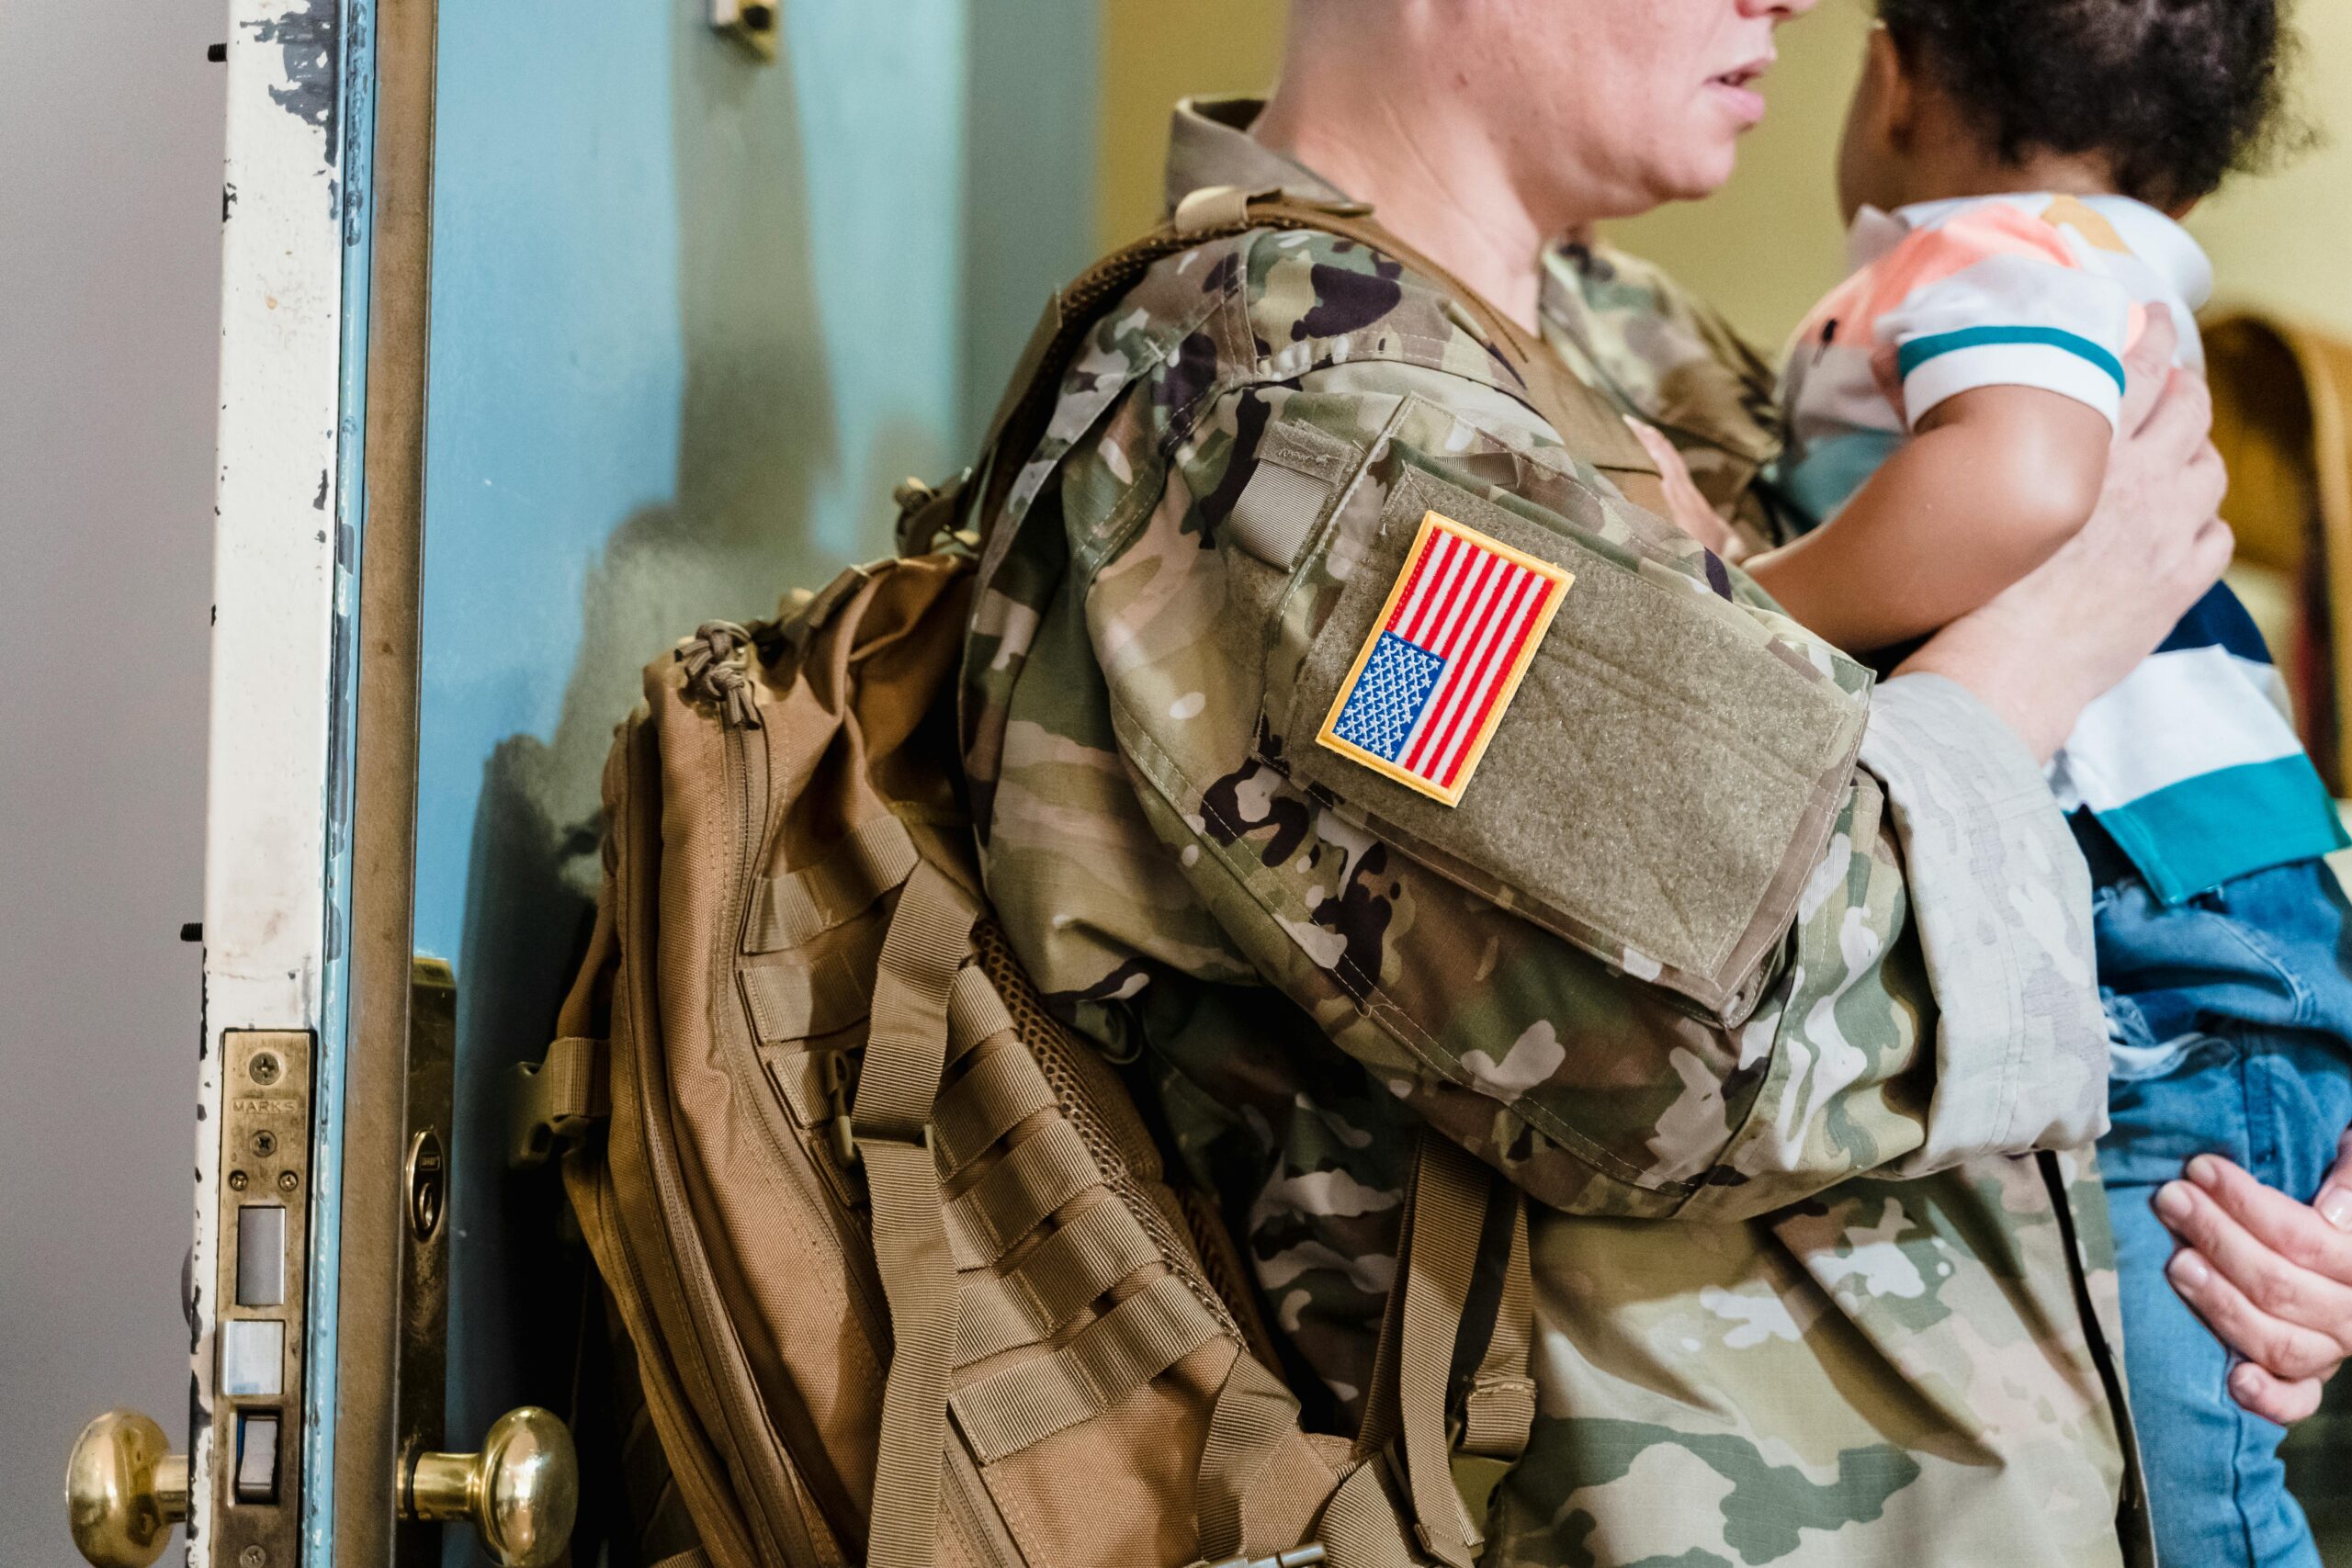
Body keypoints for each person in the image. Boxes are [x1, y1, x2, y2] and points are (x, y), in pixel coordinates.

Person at [959, 2, 2352, 1562]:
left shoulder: (1637, 346)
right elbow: (1717, 1037)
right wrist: (2040, 643)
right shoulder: (1292, 425)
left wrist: (2293, 1131)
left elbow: (2106, 846)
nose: (1793, 3)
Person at [1644, 5, 2346, 1562]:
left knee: (2190, 1498)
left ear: (1895, 78)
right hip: (2217, 911)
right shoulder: (2105, 268)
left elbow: (2023, 485)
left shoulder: (1984, 250)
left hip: (2160, 943)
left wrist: (1746, 608)